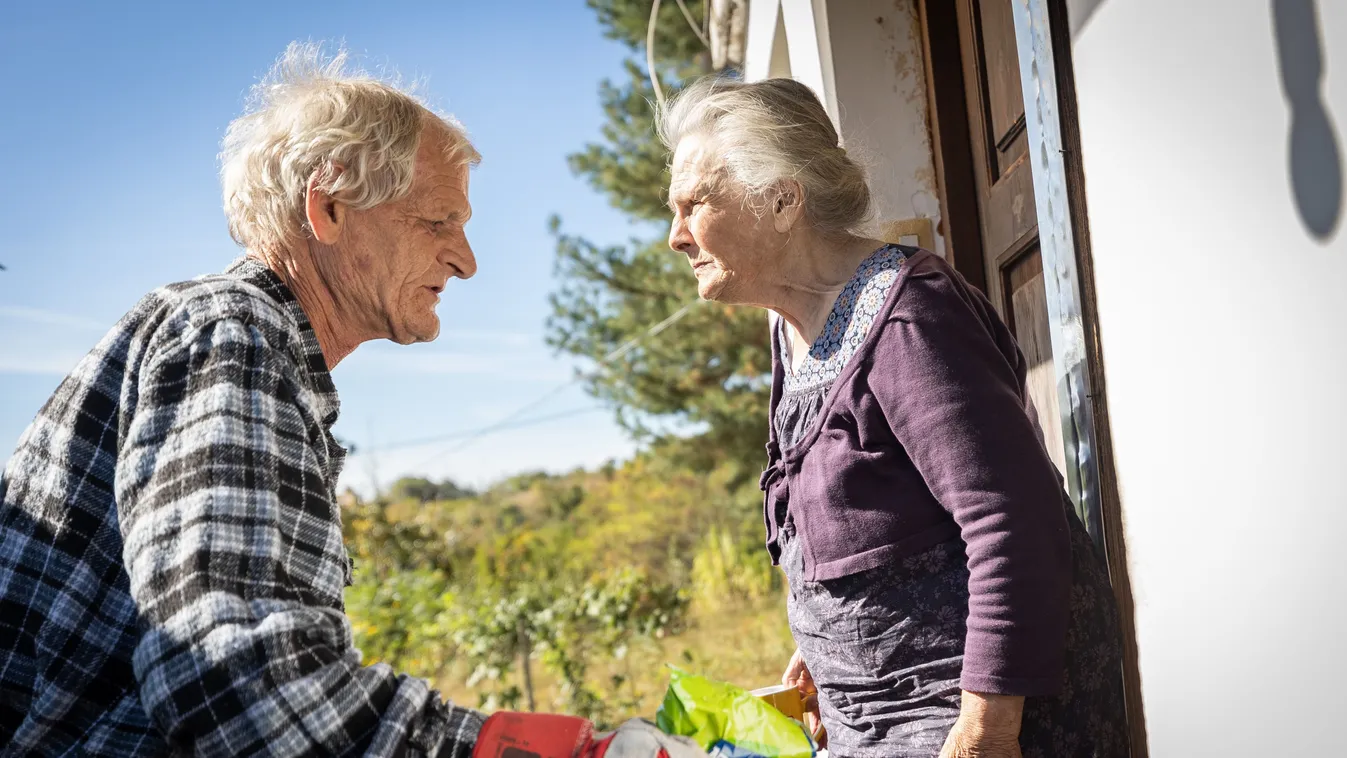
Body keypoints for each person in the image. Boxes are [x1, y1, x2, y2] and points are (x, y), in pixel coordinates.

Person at [0, 44, 700, 758]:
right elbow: (240, 687)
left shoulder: (243, 344)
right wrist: (520, 750)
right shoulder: (234, 334)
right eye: (437, 221)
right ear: (328, 208)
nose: (466, 259)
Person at [659, 76, 1130, 758]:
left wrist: (986, 730)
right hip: (874, 720)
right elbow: (867, 525)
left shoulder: (909, 317)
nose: (675, 236)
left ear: (781, 199)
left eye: (691, 204)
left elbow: (1012, 522)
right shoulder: (793, 328)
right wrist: (824, 647)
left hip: (965, 725)